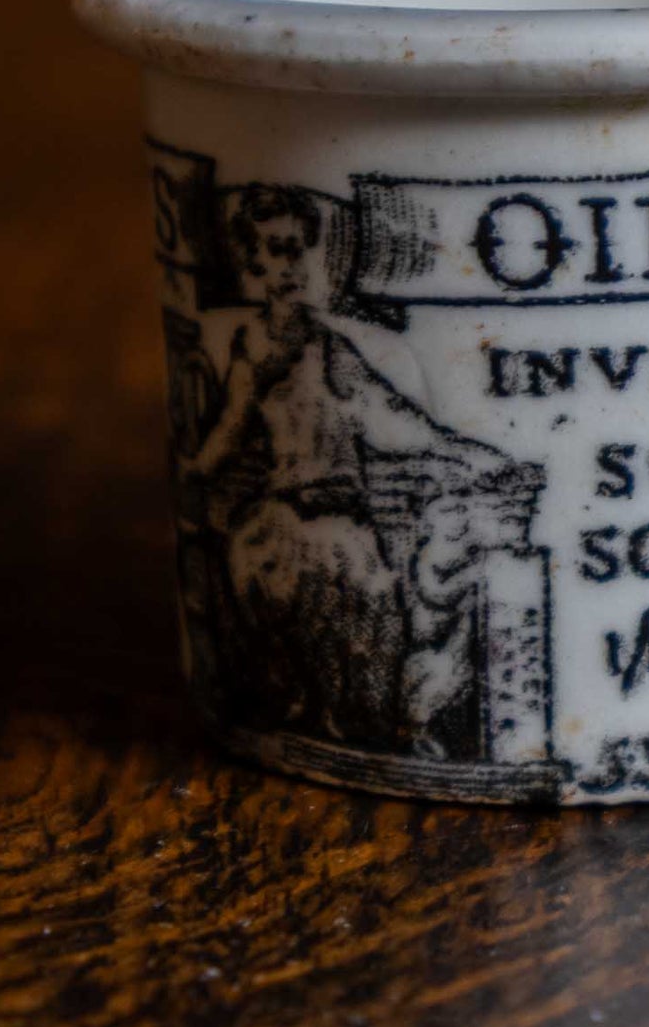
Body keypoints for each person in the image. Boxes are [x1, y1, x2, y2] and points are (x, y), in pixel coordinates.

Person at [190, 182, 537, 759]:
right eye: (276, 250)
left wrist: (478, 456)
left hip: (343, 521)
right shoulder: (255, 347)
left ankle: (352, 721)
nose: (292, 266)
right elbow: (227, 432)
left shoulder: (333, 351)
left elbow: (397, 421)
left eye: (300, 248)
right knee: (302, 587)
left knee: (369, 601)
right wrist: (196, 472)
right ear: (252, 261)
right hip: (285, 522)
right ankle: (316, 713)